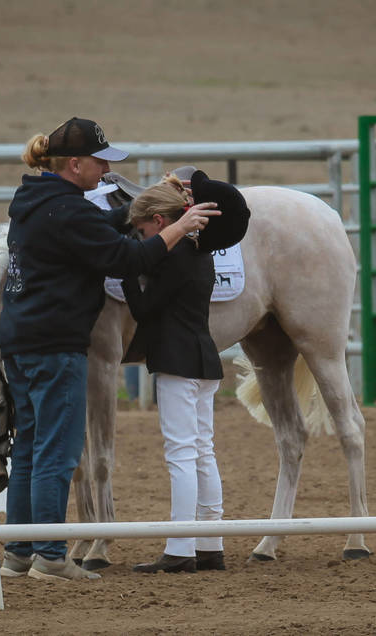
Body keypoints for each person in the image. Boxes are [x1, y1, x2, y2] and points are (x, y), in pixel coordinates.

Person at [0, 117, 219, 582]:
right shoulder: (70, 212)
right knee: (58, 453)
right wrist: (182, 224)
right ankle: (52, 557)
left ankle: (18, 551)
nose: (105, 171)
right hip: (57, 344)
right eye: (100, 162)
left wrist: (137, 205)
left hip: (20, 340)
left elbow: (97, 226)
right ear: (75, 164)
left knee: (31, 451)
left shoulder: (35, 203)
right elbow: (130, 258)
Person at [120, 175, 228, 574]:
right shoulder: (200, 251)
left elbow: (145, 310)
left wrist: (127, 270)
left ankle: (180, 549)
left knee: (181, 453)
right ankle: (210, 543)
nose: (141, 237)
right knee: (203, 450)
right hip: (204, 358)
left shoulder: (174, 256)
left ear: (161, 221)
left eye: (143, 230)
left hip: (177, 362)